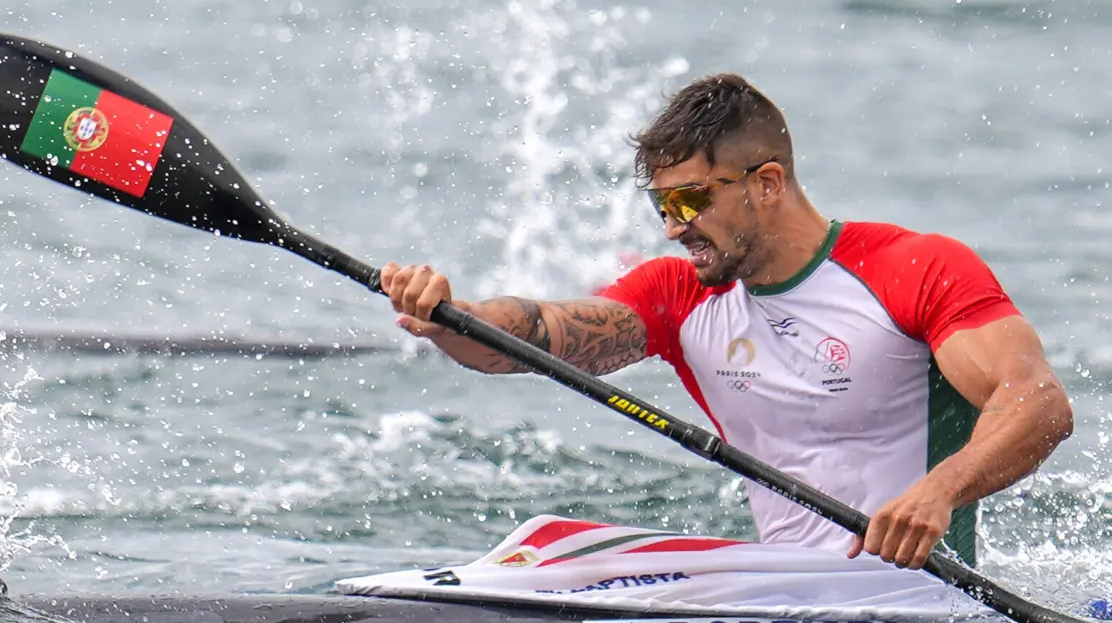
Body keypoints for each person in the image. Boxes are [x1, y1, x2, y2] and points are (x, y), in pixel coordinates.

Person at [379, 73, 1073, 570]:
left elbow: (1038, 403)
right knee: (553, 545)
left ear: (766, 184)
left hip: (924, 596)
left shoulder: (912, 269)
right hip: (784, 592)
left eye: (688, 201)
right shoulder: (680, 298)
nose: (676, 228)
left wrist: (937, 492)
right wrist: (451, 316)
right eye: (662, 207)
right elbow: (542, 332)